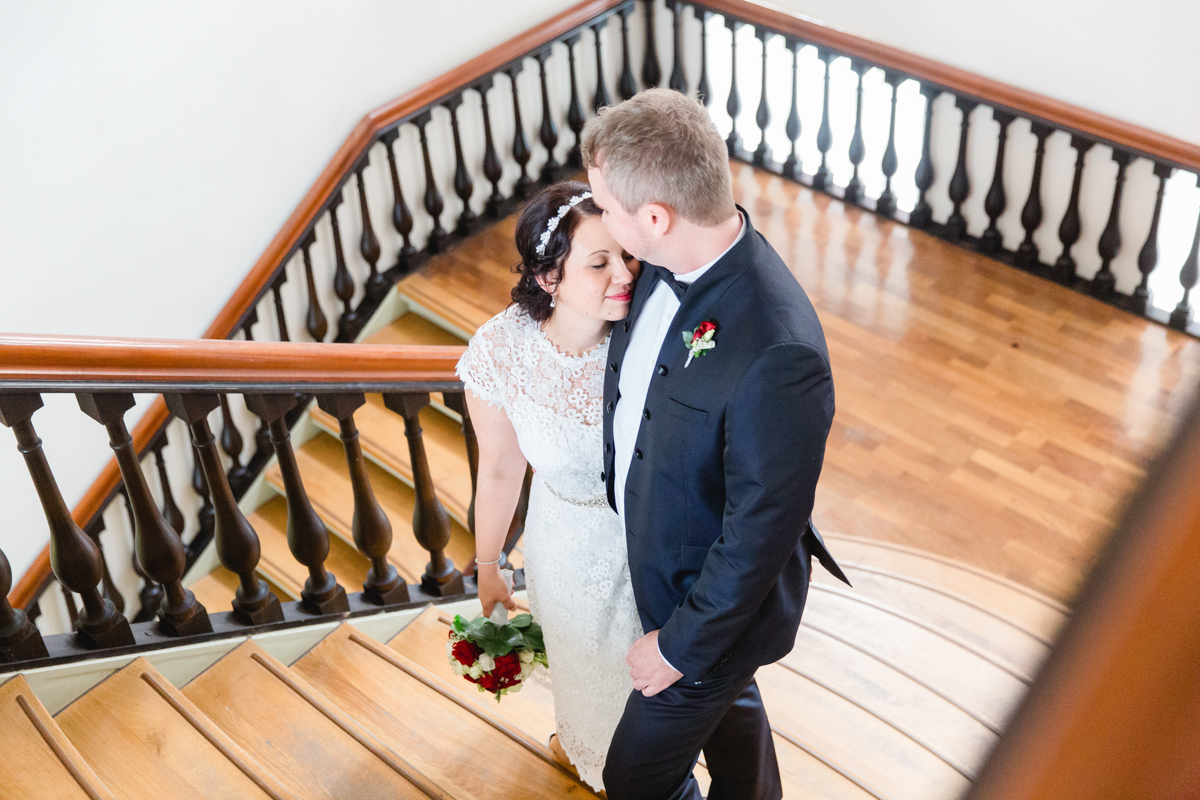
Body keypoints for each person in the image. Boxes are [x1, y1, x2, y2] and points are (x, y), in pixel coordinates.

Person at [584, 88, 849, 800]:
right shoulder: (653, 261)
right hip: (659, 557)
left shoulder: (779, 349)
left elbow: (762, 529)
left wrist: (677, 646)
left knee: (634, 779)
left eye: (605, 207)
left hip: (710, 611)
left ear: (656, 217)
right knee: (731, 710)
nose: (600, 220)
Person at [458, 180, 643, 792]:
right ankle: (585, 749)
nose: (625, 272)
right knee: (584, 671)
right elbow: (502, 469)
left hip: (646, 539)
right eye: (599, 262)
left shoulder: (647, 334)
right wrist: (490, 564)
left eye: (625, 254)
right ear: (549, 279)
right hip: (562, 538)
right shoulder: (501, 349)